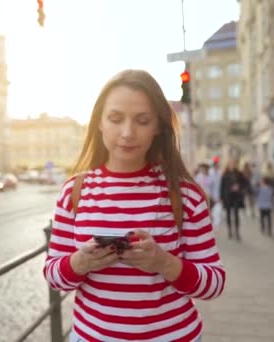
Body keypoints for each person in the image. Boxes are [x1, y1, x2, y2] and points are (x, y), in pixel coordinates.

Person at [43, 70, 225, 342]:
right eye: (115, 119)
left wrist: (163, 262)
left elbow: (214, 284)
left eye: (142, 120)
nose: (127, 133)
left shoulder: (186, 195)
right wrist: (80, 262)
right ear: (100, 123)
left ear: (158, 127)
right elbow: (54, 276)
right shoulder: (74, 192)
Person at [220, 160, 249, 241]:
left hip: (236, 197)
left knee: (236, 214)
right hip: (227, 197)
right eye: (231, 164)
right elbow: (222, 187)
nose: (232, 165)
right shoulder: (225, 174)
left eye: (233, 163)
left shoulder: (239, 174)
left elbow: (246, 184)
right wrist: (221, 197)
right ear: (228, 165)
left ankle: (237, 232)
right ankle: (229, 231)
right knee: (228, 214)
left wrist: (240, 188)